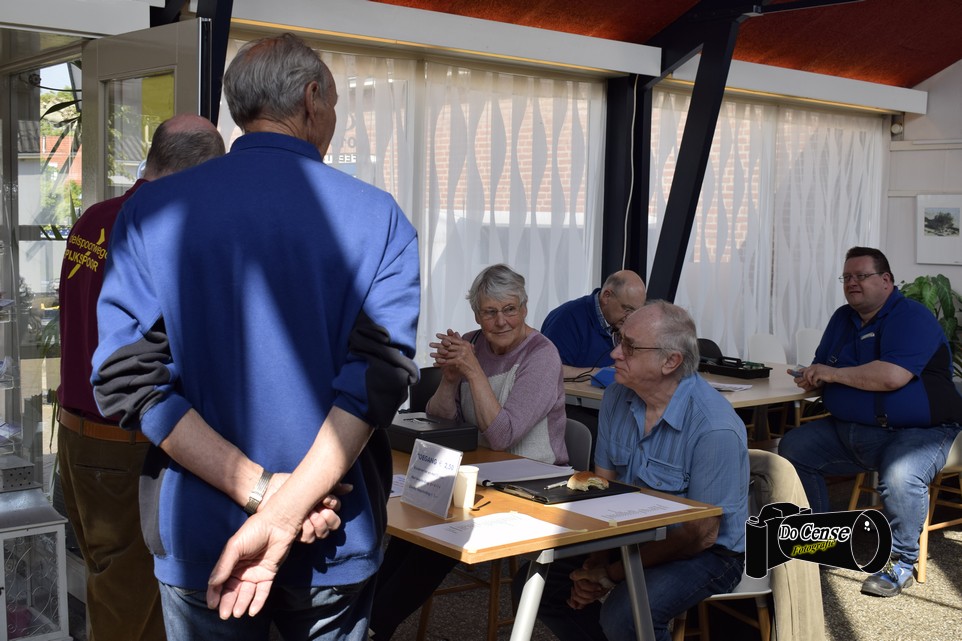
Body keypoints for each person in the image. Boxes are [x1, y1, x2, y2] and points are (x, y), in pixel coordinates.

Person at [90, 33, 420, 640]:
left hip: (203, 530)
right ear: (312, 98)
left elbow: (127, 381)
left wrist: (266, 496)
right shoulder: (380, 218)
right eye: (336, 104)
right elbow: (378, 381)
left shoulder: (153, 211)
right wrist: (286, 509)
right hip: (333, 529)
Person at [56, 113, 224, 641]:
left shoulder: (93, 219)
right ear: (198, 171)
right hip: (124, 440)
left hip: (76, 434)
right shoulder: (163, 228)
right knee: (131, 604)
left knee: (107, 580)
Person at [518, 300, 749, 641]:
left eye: (629, 346)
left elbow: (698, 535)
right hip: (632, 534)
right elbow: (602, 491)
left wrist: (610, 574)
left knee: (625, 615)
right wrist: (594, 563)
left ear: (670, 362)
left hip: (707, 553)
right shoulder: (617, 396)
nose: (614, 354)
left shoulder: (714, 427)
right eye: (619, 339)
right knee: (535, 585)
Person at [369, 263, 568, 639]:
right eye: (490, 312)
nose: (501, 321)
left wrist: (473, 370)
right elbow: (440, 420)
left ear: (525, 308)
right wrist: (450, 379)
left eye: (510, 309)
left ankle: (375, 624)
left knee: (441, 536)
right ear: (477, 314)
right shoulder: (471, 343)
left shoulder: (541, 355)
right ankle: (365, 619)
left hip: (535, 481)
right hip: (481, 473)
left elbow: (502, 435)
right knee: (415, 525)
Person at [778, 246, 962, 598]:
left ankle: (901, 563)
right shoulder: (842, 318)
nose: (852, 283)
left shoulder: (912, 317)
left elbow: (891, 377)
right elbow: (824, 365)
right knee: (794, 448)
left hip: (920, 432)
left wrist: (831, 373)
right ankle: (818, 545)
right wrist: (812, 375)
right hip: (851, 429)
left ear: (886, 280)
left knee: (900, 476)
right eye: (847, 277)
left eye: (861, 276)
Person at [540, 269, 647, 379]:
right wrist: (599, 373)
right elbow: (547, 370)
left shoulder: (626, 322)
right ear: (606, 296)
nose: (630, 318)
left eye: (636, 312)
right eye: (627, 309)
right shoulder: (566, 320)